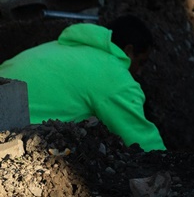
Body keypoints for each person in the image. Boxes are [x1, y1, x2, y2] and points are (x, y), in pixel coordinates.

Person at [0, 15, 166, 151]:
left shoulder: (66, 48)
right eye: (141, 62)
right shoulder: (113, 76)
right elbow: (142, 140)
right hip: (7, 134)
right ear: (129, 51)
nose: (140, 72)